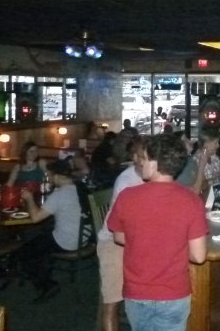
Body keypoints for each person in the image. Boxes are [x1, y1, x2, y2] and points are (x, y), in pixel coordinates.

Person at [107, 134, 208, 331]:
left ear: (155, 163)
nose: (140, 163)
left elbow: (118, 236)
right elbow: (198, 256)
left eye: (144, 158)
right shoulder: (191, 201)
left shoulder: (127, 196)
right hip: (173, 293)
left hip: (137, 291)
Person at [97, 137, 146, 331]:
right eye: (143, 156)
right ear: (135, 157)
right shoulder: (126, 182)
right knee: (112, 302)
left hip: (136, 241)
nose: (148, 161)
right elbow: (124, 230)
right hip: (113, 243)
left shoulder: (153, 176)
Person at [17, 158, 83, 301]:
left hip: (67, 242)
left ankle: (47, 285)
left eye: (50, 175)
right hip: (84, 237)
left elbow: (35, 218)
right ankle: (44, 263)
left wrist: (29, 198)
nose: (49, 178)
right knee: (41, 237)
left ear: (57, 176)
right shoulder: (79, 187)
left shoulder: (59, 195)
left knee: (24, 253)